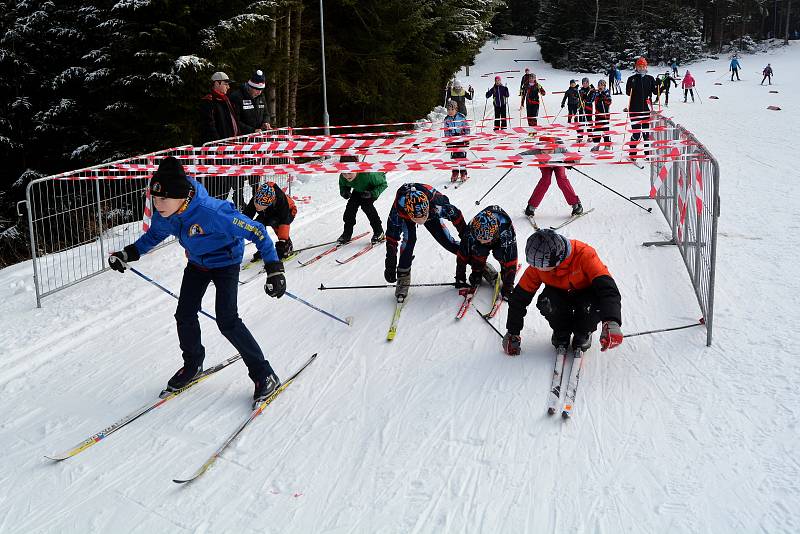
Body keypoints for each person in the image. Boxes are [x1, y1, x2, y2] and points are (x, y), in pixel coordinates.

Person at [107, 157, 286, 408]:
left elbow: (257, 231)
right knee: (184, 314)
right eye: (154, 199)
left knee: (227, 320)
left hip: (226, 263)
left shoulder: (213, 212)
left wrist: (274, 269)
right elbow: (154, 235)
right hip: (198, 264)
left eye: (163, 199)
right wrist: (129, 253)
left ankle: (264, 374)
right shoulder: (166, 213)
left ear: (181, 196)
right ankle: (193, 365)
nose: (157, 205)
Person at [502, 229, 622, 355]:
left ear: (557, 259)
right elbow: (519, 299)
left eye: (540, 265)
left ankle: (583, 333)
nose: (536, 267)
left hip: (586, 294)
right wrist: (512, 332)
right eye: (533, 263)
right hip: (559, 295)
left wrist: (611, 321)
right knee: (547, 302)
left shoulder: (584, 254)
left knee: (591, 307)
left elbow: (608, 290)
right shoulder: (538, 265)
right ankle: (561, 332)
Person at [384, 183, 467, 299]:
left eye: (423, 217)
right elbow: (391, 236)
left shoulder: (438, 205)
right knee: (409, 240)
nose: (421, 221)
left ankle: (474, 260)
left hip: (431, 213)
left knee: (447, 242)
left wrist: (469, 242)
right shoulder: (399, 210)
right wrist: (390, 263)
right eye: (416, 219)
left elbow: (457, 216)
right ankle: (403, 277)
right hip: (409, 215)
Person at [455, 206, 518, 300]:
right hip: (486, 233)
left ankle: (505, 272)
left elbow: (511, 258)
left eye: (485, 239)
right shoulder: (471, 231)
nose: (482, 242)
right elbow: (462, 254)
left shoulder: (506, 231)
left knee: (500, 253)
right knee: (478, 249)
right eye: (479, 239)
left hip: (499, 237)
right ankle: (477, 272)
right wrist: (460, 277)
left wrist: (508, 285)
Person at [522, 136, 582, 217]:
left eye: (550, 151)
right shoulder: (536, 150)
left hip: (558, 164)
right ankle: (531, 206)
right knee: (545, 181)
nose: (548, 155)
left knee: (561, 179)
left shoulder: (560, 148)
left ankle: (576, 204)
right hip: (545, 165)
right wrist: (516, 160)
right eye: (544, 152)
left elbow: (576, 158)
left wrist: (570, 161)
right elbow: (522, 155)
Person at [337, 155, 387, 245]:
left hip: (371, 190)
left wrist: (372, 193)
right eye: (344, 173)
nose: (347, 176)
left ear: (357, 169)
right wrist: (345, 192)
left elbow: (383, 184)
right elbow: (343, 185)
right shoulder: (343, 176)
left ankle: (379, 232)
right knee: (350, 209)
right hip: (358, 190)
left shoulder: (369, 174)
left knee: (366, 206)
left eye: (349, 173)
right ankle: (346, 234)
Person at [241, 182, 297, 260]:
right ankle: (264, 247)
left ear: (269, 203)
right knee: (258, 224)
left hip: (289, 211)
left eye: (261, 206)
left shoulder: (280, 199)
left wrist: (282, 241)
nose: (257, 208)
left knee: (275, 222)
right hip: (268, 213)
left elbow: (284, 221)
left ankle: (287, 246)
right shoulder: (257, 197)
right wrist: (238, 228)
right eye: (256, 205)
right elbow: (247, 215)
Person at [625, 57, 658, 158]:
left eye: (643, 66)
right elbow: (627, 92)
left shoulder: (650, 78)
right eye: (639, 66)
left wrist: (659, 85)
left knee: (646, 134)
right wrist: (631, 85)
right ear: (636, 67)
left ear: (646, 67)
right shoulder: (632, 79)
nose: (641, 68)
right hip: (634, 110)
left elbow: (656, 92)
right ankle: (632, 153)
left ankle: (647, 154)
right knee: (636, 134)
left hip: (646, 110)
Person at [199, 72, 240, 143]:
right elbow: (209, 125)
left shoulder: (226, 99)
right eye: (226, 84)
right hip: (219, 145)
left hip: (230, 142)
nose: (228, 87)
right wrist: (217, 143)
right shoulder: (209, 101)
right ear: (217, 83)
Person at [228, 69, 272, 134]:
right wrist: (252, 130)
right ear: (250, 87)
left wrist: (266, 122)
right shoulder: (237, 97)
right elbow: (234, 121)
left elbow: (266, 113)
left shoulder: (261, 96)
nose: (259, 92)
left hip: (259, 135)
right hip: (242, 137)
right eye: (257, 89)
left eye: (261, 89)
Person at [443, 100, 471, 182]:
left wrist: (466, 138)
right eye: (448, 110)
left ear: (456, 109)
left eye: (452, 110)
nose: (450, 112)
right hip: (452, 139)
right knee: (454, 156)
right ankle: (455, 172)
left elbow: (466, 128)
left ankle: (463, 172)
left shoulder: (461, 117)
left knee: (461, 156)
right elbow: (446, 130)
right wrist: (448, 140)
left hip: (461, 138)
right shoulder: (447, 119)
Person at [591, 80, 612, 147]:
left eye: (602, 85)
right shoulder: (596, 93)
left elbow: (609, 102)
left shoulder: (607, 92)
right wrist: (590, 93)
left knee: (605, 131)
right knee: (597, 130)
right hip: (598, 115)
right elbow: (590, 100)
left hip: (605, 115)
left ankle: (607, 145)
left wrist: (603, 98)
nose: (601, 86)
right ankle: (596, 145)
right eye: (599, 85)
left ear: (604, 86)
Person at [577, 77, 596, 143]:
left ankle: (590, 136)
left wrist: (587, 98)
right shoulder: (581, 90)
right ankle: (580, 137)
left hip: (588, 108)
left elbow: (592, 99)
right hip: (581, 108)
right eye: (583, 83)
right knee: (581, 122)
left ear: (588, 83)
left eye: (586, 83)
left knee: (589, 122)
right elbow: (577, 97)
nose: (585, 84)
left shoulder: (591, 90)